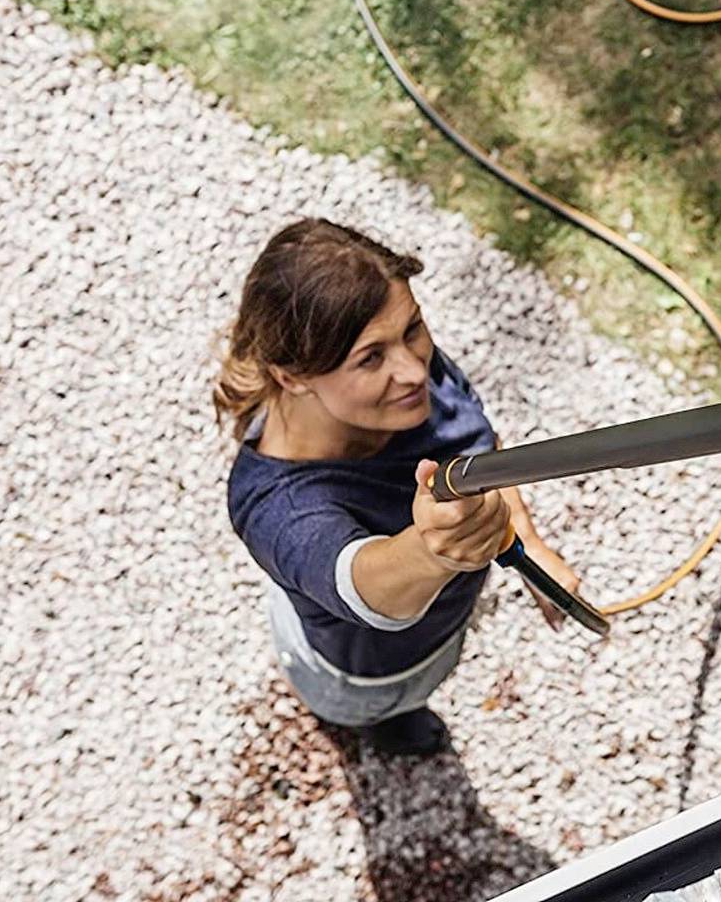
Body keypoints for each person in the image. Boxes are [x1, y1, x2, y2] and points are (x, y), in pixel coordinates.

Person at [212, 217, 583, 754]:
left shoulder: (404, 385)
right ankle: (380, 726)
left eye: (412, 328)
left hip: (439, 628)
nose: (412, 370)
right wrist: (434, 547)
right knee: (381, 711)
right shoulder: (276, 505)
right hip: (364, 677)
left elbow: (475, 444)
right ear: (292, 377)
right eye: (370, 358)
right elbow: (363, 583)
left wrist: (530, 543)